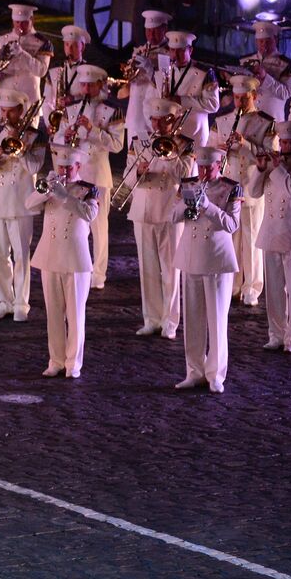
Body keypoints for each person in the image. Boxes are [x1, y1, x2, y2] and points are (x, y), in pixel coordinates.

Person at [169, 145, 240, 394]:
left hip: (217, 260)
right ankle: (194, 371)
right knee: (193, 319)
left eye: (209, 167)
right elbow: (174, 216)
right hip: (191, 257)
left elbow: (232, 224)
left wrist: (208, 205)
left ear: (219, 165)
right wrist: (190, 204)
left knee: (217, 319)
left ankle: (216, 375)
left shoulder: (230, 187)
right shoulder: (189, 184)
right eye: (201, 166)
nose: (204, 171)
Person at [27, 144, 98, 378]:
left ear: (78, 166)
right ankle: (56, 360)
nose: (64, 170)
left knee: (76, 314)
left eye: (68, 167)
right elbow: (28, 204)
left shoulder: (88, 190)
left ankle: (73, 363)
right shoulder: (50, 186)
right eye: (60, 166)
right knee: (54, 313)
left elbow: (89, 214)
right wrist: (45, 190)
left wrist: (64, 196)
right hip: (50, 255)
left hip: (76, 258)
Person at [126, 97, 195, 339]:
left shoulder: (185, 145)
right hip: (143, 209)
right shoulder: (140, 141)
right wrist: (137, 171)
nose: (156, 126)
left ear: (172, 120)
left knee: (170, 269)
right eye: (154, 120)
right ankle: (151, 319)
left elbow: (187, 174)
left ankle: (170, 321)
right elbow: (127, 176)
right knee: (147, 268)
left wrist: (170, 154)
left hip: (169, 210)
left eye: (162, 122)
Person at [247, 120, 291, 353]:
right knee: (274, 289)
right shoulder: (271, 165)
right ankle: (276, 334)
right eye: (283, 142)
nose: (286, 146)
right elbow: (254, 192)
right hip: (271, 232)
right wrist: (259, 169)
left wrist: (277, 169)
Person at [54, 67, 122, 289]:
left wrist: (92, 129)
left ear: (100, 84)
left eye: (90, 85)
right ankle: (76, 264)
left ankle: (99, 273)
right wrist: (66, 135)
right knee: (75, 223)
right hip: (77, 174)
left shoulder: (112, 110)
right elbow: (58, 136)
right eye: (83, 85)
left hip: (99, 175)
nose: (85, 90)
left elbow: (116, 145)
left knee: (99, 227)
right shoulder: (71, 108)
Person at [0, 88, 44, 321]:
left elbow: (35, 168)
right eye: (3, 111)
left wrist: (21, 147)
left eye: (10, 111)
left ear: (20, 111)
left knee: (21, 255)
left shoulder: (35, 136)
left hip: (20, 202)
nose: (6, 116)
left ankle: (21, 304)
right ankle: (4, 300)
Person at [217, 75, 267, 308]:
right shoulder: (225, 119)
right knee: (232, 238)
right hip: (230, 182)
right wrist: (220, 150)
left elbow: (269, 154)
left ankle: (252, 287)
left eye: (244, 98)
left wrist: (246, 143)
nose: (239, 103)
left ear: (254, 97)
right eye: (236, 98)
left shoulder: (265, 123)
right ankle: (234, 285)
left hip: (251, 185)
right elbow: (212, 148)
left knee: (252, 238)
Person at [155, 31, 219, 149]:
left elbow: (213, 105)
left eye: (180, 50)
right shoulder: (161, 72)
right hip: (168, 132)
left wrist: (181, 100)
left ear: (190, 50)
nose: (175, 55)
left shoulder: (205, 73)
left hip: (194, 133)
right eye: (172, 50)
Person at [117, 10, 170, 146]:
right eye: (148, 31)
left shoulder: (168, 53)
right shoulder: (139, 50)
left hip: (153, 115)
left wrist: (150, 69)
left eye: (155, 31)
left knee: (148, 154)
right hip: (135, 112)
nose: (151, 35)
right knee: (132, 155)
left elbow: (166, 84)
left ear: (164, 29)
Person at [0, 4, 51, 107]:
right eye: (17, 22)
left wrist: (22, 54)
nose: (20, 26)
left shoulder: (42, 42)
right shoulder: (2, 39)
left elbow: (41, 71)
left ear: (31, 20)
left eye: (24, 23)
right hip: (4, 96)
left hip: (28, 98)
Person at [242, 20, 291, 122]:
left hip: (273, 121)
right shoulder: (245, 61)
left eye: (268, 41)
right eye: (261, 41)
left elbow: (286, 93)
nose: (264, 45)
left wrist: (265, 77)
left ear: (275, 40)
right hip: (248, 120)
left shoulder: (287, 65)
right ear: (256, 41)